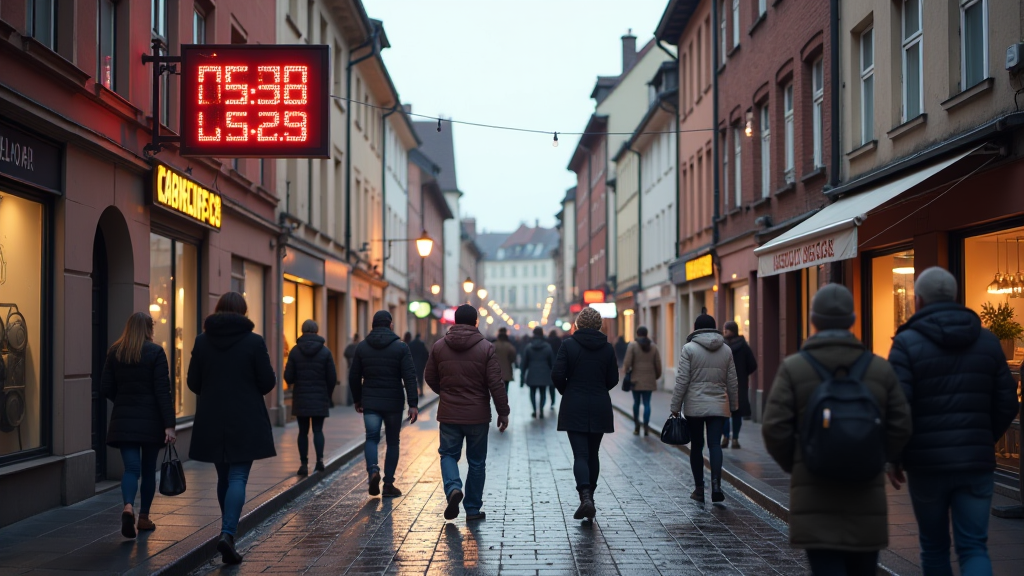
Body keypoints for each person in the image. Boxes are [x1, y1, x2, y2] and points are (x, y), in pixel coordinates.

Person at [762, 284, 912, 576]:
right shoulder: (879, 368)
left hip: (815, 494)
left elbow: (774, 428)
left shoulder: (794, 367)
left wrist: (800, 461)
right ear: (853, 319)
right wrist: (878, 456)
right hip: (865, 494)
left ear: (813, 320)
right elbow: (902, 425)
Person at [886, 267, 1019, 576]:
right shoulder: (987, 342)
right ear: (955, 297)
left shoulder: (905, 344)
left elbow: (897, 407)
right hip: (975, 462)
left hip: (926, 463)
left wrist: (894, 456)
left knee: (933, 547)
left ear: (918, 301)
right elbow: (1007, 402)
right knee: (974, 546)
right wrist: (985, 437)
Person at [188, 292, 276, 565]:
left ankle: (227, 531)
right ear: (244, 311)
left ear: (218, 310)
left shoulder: (202, 341)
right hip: (245, 417)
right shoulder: (254, 341)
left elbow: (193, 382)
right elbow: (266, 383)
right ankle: (228, 533)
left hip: (212, 417)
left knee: (223, 477)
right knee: (238, 476)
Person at [425, 305, 509, 522]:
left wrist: (445, 393)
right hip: (477, 415)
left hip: (449, 413)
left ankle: (453, 488)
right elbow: (496, 384)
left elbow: (430, 377)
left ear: (454, 321)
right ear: (475, 322)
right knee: (477, 461)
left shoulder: (439, 346)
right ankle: (472, 509)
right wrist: (503, 411)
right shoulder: (486, 347)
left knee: (448, 455)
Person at [102, 312, 176, 539]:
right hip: (151, 422)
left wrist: (123, 400)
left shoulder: (116, 351)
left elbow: (105, 387)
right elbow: (163, 391)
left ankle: (127, 507)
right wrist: (169, 425)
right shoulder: (155, 352)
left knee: (131, 469)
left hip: (124, 420)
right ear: (148, 329)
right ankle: (143, 518)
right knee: (147, 470)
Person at [552, 307, 619, 522]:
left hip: (575, 404)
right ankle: (591, 498)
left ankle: (585, 497)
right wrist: (600, 388)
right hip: (599, 404)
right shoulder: (607, 348)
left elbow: (557, 374)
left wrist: (567, 390)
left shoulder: (568, 345)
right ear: (599, 325)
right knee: (593, 453)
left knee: (580, 454)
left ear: (578, 324)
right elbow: (613, 379)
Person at [349, 311, 419, 497]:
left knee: (371, 437)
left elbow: (354, 375)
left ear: (373, 325)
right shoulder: (401, 347)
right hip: (393, 403)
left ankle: (373, 470)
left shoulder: (362, 347)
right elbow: (409, 376)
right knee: (392, 441)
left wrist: (357, 399)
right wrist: (413, 403)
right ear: (390, 325)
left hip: (370, 401)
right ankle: (388, 485)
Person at [670, 314, 737, 503]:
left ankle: (699, 489)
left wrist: (675, 406)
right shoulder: (726, 350)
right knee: (715, 445)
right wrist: (734, 404)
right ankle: (716, 485)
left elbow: (682, 380)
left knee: (697, 446)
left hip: (695, 406)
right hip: (718, 403)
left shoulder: (689, 349)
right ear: (714, 328)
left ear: (696, 328)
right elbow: (732, 380)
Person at [283, 319, 338, 476]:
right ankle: (319, 461)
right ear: (316, 331)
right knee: (318, 430)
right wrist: (327, 395)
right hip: (320, 397)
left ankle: (303, 464)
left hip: (301, 397)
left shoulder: (294, 351)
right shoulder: (325, 352)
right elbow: (332, 377)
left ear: (302, 331)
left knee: (303, 432)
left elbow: (289, 377)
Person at [721, 321, 757, 449]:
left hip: (724, 383)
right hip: (739, 384)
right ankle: (734, 438)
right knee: (736, 413)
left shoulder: (721, 346)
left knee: (724, 412)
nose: (724, 331)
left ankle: (726, 437)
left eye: (727, 329)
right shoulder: (743, 346)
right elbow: (752, 364)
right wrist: (742, 374)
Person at [623, 326, 661, 436]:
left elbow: (627, 363)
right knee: (647, 403)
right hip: (649, 379)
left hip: (635, 380)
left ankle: (636, 426)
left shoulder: (633, 346)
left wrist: (627, 372)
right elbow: (658, 364)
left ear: (637, 333)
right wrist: (656, 376)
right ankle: (646, 426)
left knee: (636, 403)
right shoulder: (653, 347)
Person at [522, 326, 555, 418]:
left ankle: (534, 410)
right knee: (543, 392)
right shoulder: (547, 347)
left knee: (532, 392)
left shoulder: (529, 347)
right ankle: (541, 409)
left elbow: (524, 363)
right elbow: (552, 362)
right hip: (544, 373)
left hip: (532, 372)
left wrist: (523, 375)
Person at [493, 327, 518, 392]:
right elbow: (513, 358)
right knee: (505, 389)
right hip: (507, 371)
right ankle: (504, 400)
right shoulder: (509, 346)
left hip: (495, 371)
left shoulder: (493, 345)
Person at [409, 333, 430, 398]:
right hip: (421, 364)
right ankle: (420, 391)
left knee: (413, 378)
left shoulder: (411, 344)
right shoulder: (422, 344)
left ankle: (413, 391)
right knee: (420, 378)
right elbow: (426, 354)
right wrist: (425, 362)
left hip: (412, 363)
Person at [546, 330, 562, 408]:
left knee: (548, 383)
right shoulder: (559, 341)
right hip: (556, 363)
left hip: (547, 364)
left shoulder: (547, 341)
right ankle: (553, 401)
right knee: (552, 385)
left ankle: (547, 401)